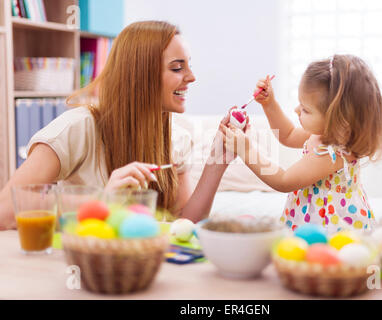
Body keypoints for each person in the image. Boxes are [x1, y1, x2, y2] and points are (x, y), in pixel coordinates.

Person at [0, 20, 246, 230]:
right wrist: (102, 202)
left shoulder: (176, 137)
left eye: (189, 65)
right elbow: (7, 211)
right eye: (177, 67)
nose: (192, 77)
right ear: (140, 73)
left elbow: (184, 222)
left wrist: (218, 161)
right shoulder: (76, 128)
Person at [221, 54, 382, 234]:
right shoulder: (323, 133)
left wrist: (246, 152)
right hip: (313, 221)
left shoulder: (332, 154)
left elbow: (284, 181)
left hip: (330, 231)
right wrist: (270, 105)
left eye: (306, 109)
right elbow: (288, 134)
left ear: (338, 120)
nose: (296, 110)